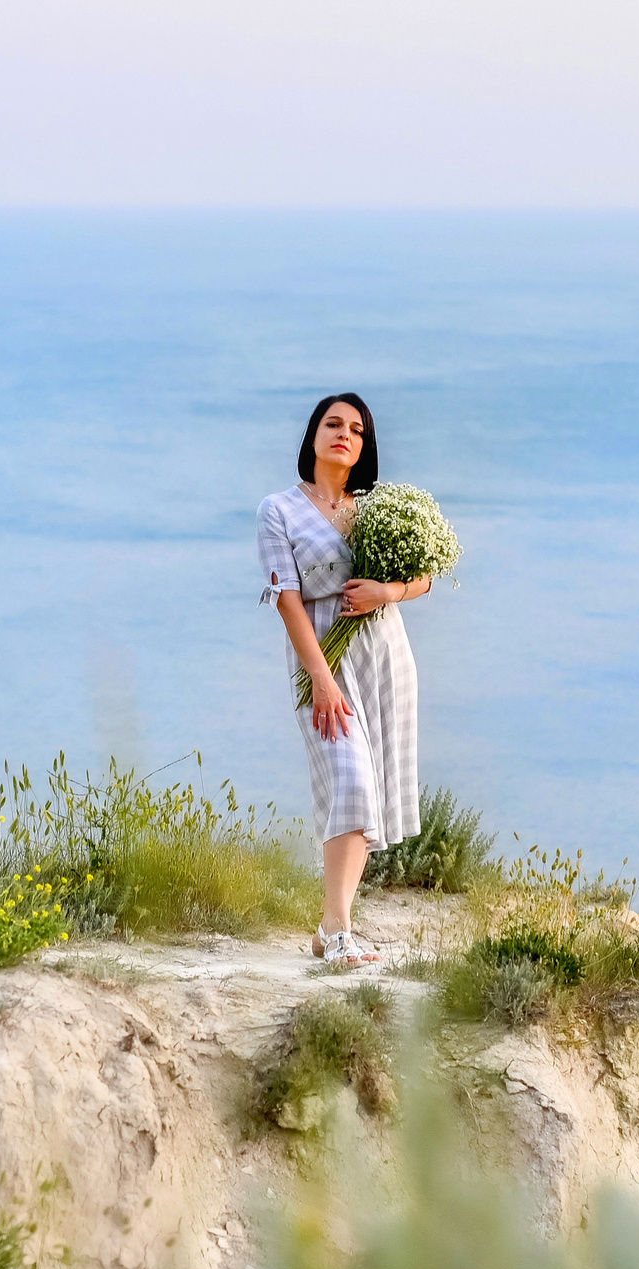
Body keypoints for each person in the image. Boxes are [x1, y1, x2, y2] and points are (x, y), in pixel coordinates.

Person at [257, 393, 430, 967]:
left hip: (383, 658)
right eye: (334, 424)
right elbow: (286, 600)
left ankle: (335, 928)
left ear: (364, 448)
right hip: (322, 662)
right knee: (350, 777)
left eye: (357, 430)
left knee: (367, 789)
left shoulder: (377, 507)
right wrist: (322, 679)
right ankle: (336, 932)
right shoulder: (279, 510)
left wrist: (388, 591)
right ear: (313, 435)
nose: (344, 435)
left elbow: (426, 574)